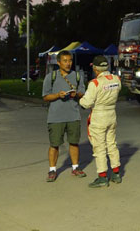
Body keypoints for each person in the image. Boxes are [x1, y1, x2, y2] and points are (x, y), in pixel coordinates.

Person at [42, 51, 86, 182]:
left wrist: (76, 94)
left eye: (70, 60)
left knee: (74, 143)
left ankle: (75, 168)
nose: (68, 63)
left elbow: (82, 93)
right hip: (55, 117)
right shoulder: (51, 77)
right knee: (54, 144)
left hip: (73, 116)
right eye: (65, 61)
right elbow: (45, 96)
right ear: (59, 62)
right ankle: (52, 170)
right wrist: (57, 95)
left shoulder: (77, 76)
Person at [79, 55, 122, 188]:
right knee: (112, 144)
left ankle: (102, 177)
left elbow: (86, 103)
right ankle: (116, 173)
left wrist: (80, 100)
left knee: (99, 147)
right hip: (112, 114)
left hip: (99, 116)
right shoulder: (116, 79)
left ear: (96, 69)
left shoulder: (95, 83)